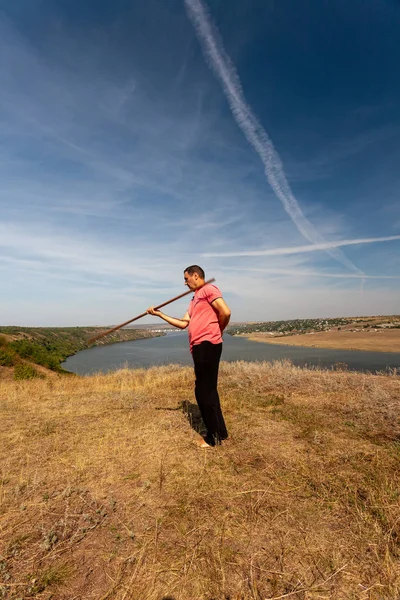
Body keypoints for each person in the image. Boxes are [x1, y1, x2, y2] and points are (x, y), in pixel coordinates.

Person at [147, 265, 231, 448]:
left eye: (186, 279)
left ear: (195, 276)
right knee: (209, 389)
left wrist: (218, 330)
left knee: (202, 391)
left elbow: (225, 312)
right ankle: (221, 432)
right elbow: (183, 323)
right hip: (200, 347)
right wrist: (159, 314)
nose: (185, 283)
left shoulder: (208, 289)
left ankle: (212, 438)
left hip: (207, 344)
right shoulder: (195, 299)